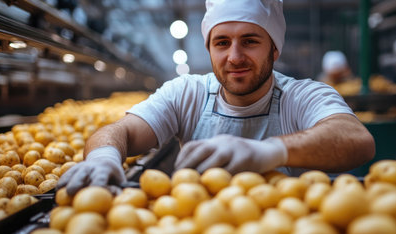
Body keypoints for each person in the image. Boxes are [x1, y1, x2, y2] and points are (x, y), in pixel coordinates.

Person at [57, 0, 375, 195]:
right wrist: (104, 155)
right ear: (209, 49)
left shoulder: (301, 95)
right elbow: (118, 131)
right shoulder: (187, 93)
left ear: (274, 48)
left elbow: (356, 139)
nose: (234, 57)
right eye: (222, 43)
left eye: (249, 41)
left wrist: (270, 152)